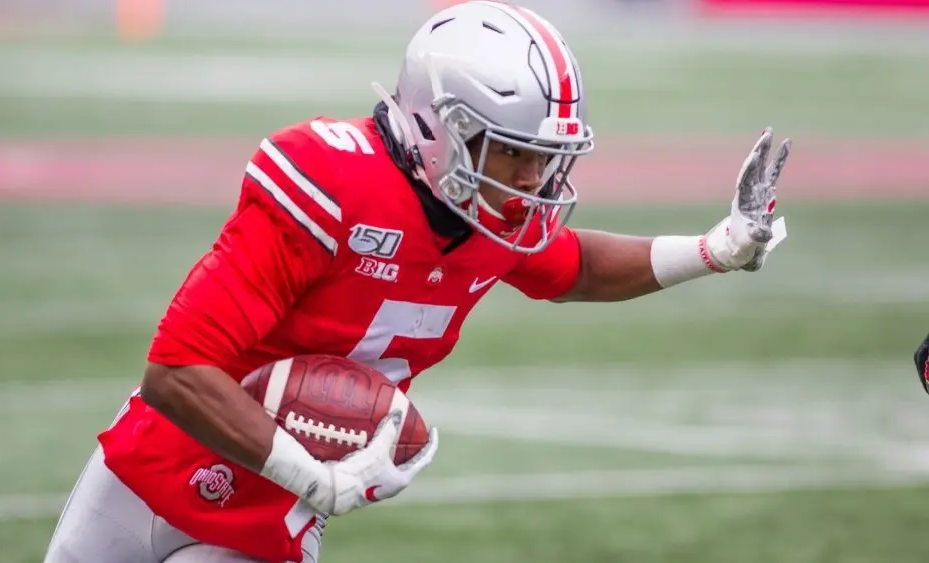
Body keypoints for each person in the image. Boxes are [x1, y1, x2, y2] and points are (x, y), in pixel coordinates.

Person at [42, 1, 792, 562]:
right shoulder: (331, 181)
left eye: (545, 156)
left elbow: (576, 266)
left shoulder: (491, 218)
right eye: (513, 152)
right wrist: (317, 476)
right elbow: (176, 370)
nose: (536, 180)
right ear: (443, 127)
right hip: (150, 471)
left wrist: (718, 248)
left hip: (265, 523)